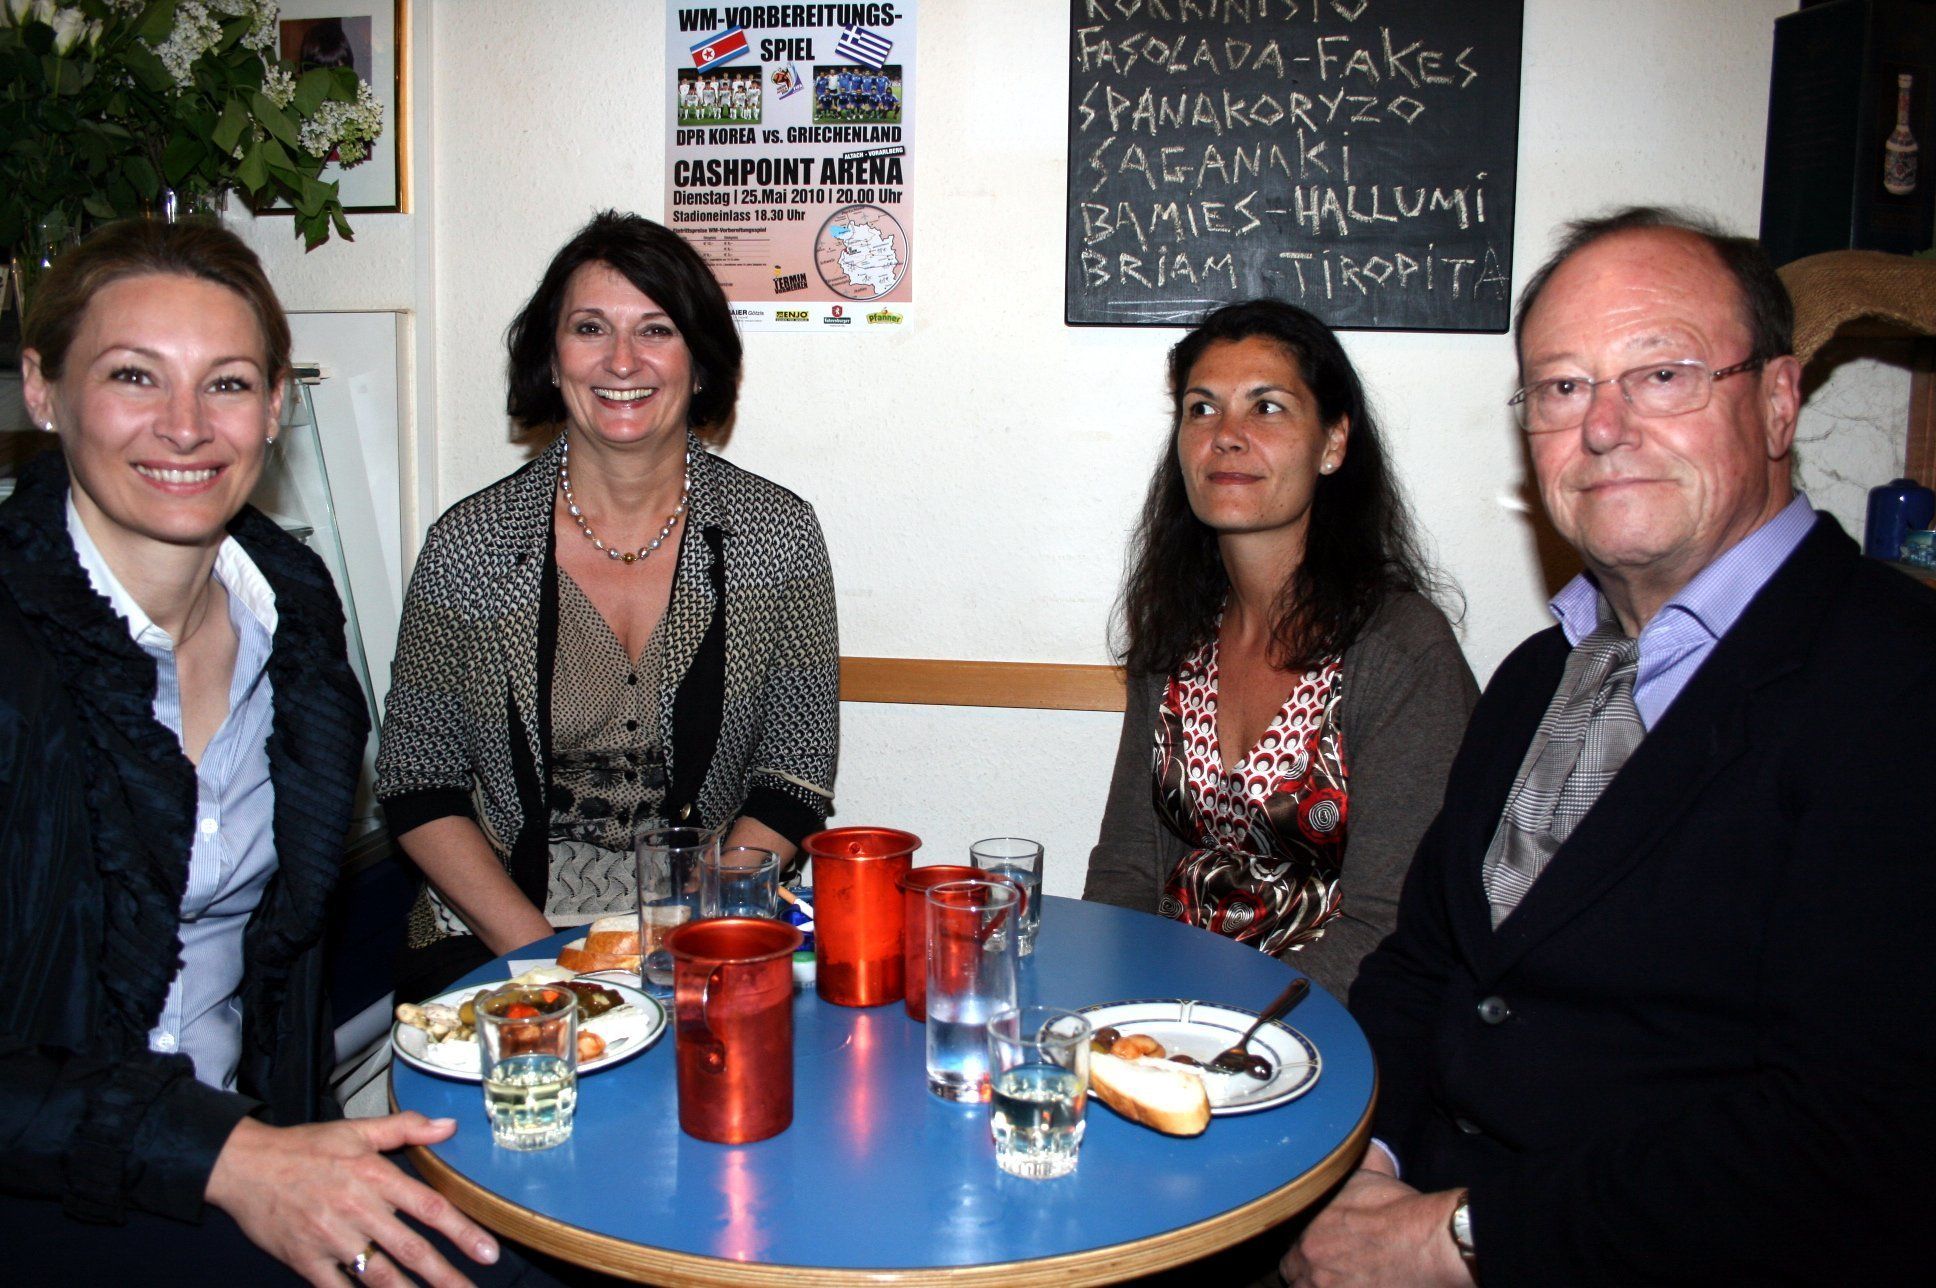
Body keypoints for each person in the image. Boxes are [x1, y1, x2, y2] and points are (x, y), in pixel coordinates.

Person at [1284, 208, 1936, 1286]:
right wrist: (1367, 1164)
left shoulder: (1898, 685)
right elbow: (1423, 965)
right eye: (1561, 387)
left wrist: (1459, 1239)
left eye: (1662, 374)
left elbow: (1862, 1133)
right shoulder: (1535, 675)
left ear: (1778, 400)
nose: (1602, 427)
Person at [0, 220, 503, 1283]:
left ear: (275, 407)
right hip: (48, 1192)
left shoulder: (296, 614)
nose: (185, 426)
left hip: (249, 1145)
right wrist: (223, 1156)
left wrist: (293, 1151)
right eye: (134, 375)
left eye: (225, 384)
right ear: (42, 389)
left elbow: (285, 971)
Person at [378, 211, 839, 1000]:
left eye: (656, 329)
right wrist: (545, 961)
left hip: (711, 928)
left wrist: (698, 930)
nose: (622, 360)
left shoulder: (778, 534)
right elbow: (417, 781)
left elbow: (794, 775)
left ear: (700, 361)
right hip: (497, 939)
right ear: (551, 358)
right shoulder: (471, 542)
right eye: (590, 328)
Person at [1083, 299, 1477, 1000]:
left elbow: (1392, 924)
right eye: (1202, 409)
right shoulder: (1175, 629)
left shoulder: (1401, 649)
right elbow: (1126, 868)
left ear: (1333, 443)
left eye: (1266, 408)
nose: (1226, 437)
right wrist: (1118, 1009)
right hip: (1164, 1013)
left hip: (1333, 1026)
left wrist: (1220, 1028)